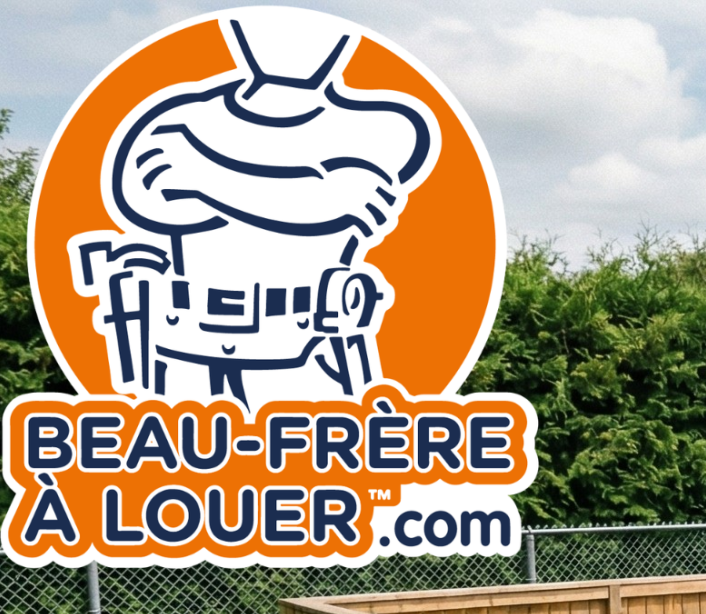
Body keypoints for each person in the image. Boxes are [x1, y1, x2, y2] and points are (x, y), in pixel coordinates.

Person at [71, 12, 437, 403]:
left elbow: (346, 199)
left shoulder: (385, 126)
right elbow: (150, 203)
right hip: (185, 349)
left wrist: (201, 174)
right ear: (236, 30)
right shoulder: (176, 115)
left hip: (309, 351)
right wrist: (306, 191)